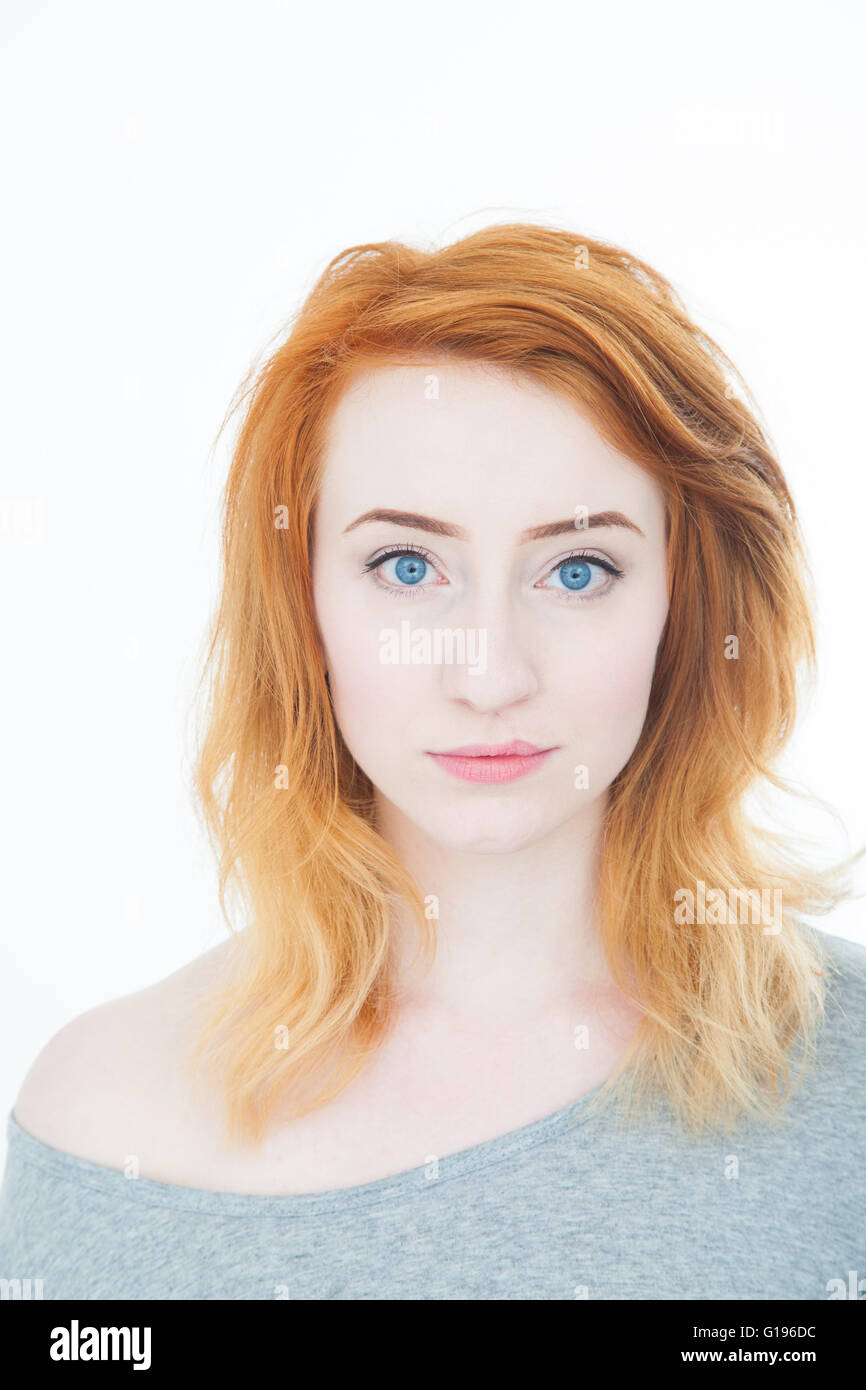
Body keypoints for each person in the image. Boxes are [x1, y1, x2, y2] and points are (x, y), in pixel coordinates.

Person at [1, 223, 863, 1301]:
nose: (488, 672)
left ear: (684, 610)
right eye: (406, 566)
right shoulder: (103, 1119)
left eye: (579, 569)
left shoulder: (849, 1092)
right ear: (300, 605)